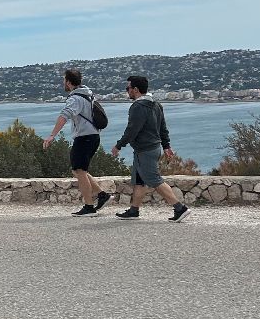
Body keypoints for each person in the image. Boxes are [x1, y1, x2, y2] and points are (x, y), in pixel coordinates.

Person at [109, 76, 189, 221]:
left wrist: (118, 145)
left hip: (144, 150)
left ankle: (180, 208)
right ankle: (134, 210)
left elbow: (132, 130)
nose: (127, 91)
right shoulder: (156, 105)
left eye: (128, 88)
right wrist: (166, 145)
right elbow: (163, 127)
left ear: (136, 90)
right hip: (152, 148)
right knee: (139, 181)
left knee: (155, 180)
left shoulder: (138, 107)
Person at [42, 67, 110, 216]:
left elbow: (64, 115)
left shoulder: (75, 98)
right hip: (92, 137)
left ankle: (89, 207)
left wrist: (52, 135)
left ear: (68, 81)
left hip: (85, 138)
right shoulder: (88, 94)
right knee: (78, 170)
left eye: (64, 81)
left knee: (79, 171)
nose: (63, 83)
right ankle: (101, 194)